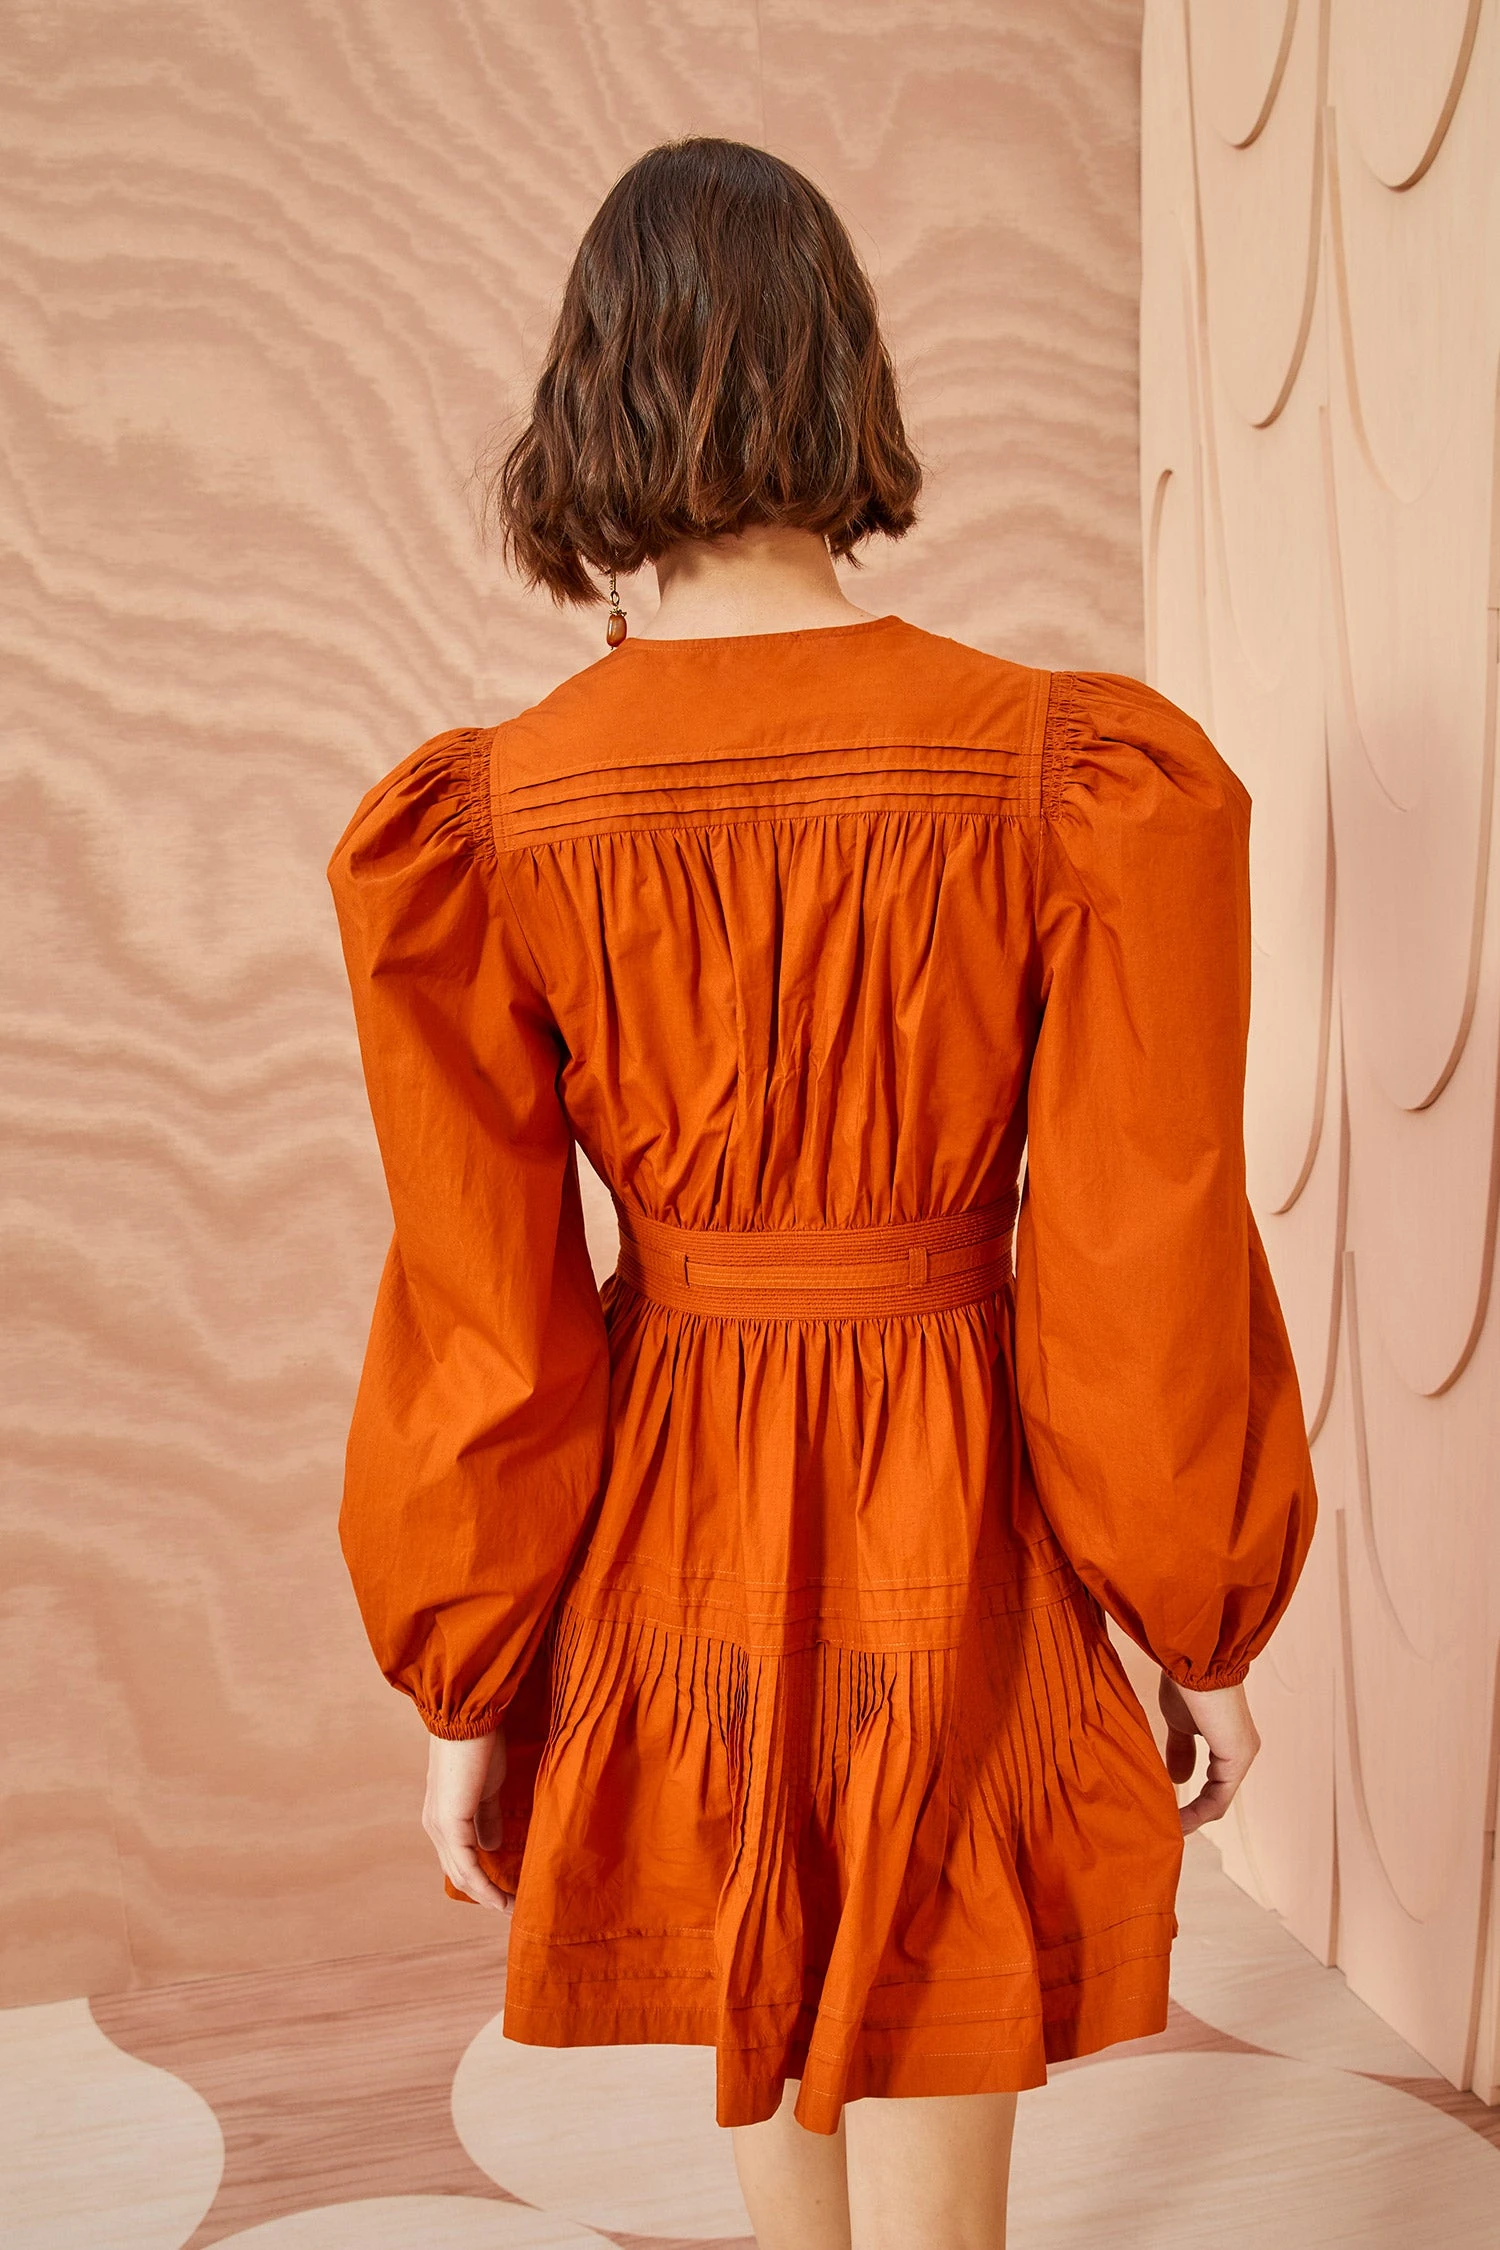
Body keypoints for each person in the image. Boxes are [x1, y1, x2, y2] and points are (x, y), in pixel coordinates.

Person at [327, 136, 1316, 2250]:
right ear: (846, 379)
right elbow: (1136, 1236)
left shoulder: (496, 815)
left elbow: (486, 1298)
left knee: (757, 1909)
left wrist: (466, 1680)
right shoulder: (1064, 766)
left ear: (587, 401)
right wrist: (1194, 1613)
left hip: (681, 1474)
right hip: (955, 1481)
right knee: (934, 1900)